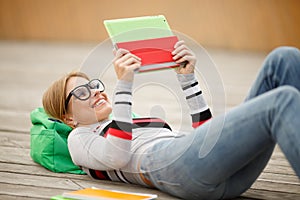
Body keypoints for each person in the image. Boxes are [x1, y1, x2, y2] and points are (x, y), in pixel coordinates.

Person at [42, 41, 300, 200]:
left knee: (283, 59)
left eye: (94, 85)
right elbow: (116, 156)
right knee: (282, 101)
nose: (96, 91)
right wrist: (124, 84)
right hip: (173, 168)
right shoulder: (79, 138)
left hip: (214, 169)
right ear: (69, 117)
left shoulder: (127, 122)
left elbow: (208, 135)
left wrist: (187, 79)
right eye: (82, 92)